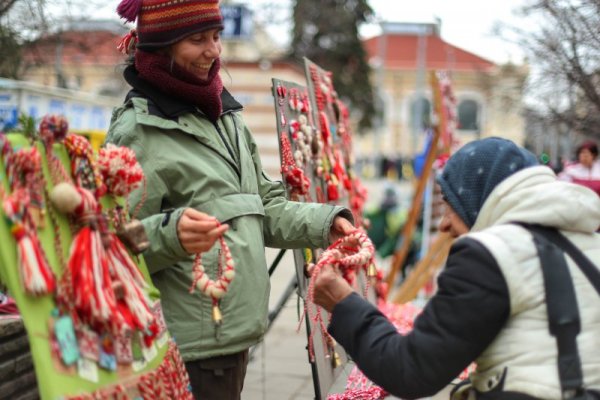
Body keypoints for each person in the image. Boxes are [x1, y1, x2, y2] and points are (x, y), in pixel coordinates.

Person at [106, 1, 354, 399]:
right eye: (197, 40)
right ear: (161, 47)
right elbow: (111, 246)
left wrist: (327, 222)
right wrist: (171, 234)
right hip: (188, 347)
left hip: (233, 334)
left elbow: (264, 206)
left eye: (217, 37)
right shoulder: (139, 131)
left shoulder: (225, 116)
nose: (214, 50)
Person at [311, 137, 600, 399]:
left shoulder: (490, 255)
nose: (445, 224)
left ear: (482, 197)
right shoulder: (590, 243)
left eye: (452, 204)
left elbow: (411, 369)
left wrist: (344, 304)